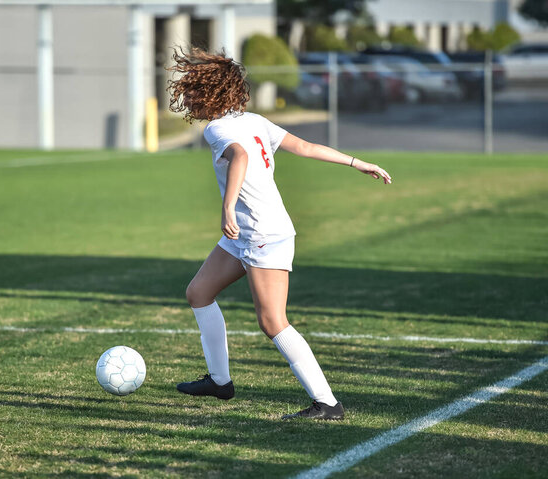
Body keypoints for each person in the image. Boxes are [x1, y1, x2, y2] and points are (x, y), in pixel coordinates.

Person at [167, 47, 392, 420]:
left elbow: (239, 157)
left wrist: (227, 206)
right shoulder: (254, 120)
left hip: (261, 233)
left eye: (192, 91)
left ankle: (327, 403)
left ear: (211, 93)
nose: (187, 98)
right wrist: (357, 162)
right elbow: (304, 146)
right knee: (199, 292)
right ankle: (219, 382)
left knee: (273, 322)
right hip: (247, 233)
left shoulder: (218, 128)